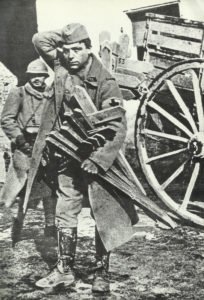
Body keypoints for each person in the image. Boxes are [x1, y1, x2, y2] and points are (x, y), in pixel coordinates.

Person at [25, 23, 139, 292]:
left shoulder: (106, 82)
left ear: (89, 49)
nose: (71, 55)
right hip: (66, 154)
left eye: (77, 49)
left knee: (104, 211)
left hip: (96, 158)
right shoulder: (62, 68)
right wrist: (68, 36)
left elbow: (117, 127)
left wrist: (99, 159)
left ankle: (101, 272)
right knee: (65, 209)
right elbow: (39, 39)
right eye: (66, 51)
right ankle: (64, 270)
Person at [0, 59, 57, 238]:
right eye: (34, 76)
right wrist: (20, 141)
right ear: (29, 76)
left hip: (45, 147)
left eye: (41, 75)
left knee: (50, 187)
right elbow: (7, 119)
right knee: (18, 186)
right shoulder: (19, 93)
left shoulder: (50, 95)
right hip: (24, 145)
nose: (38, 79)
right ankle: (14, 223)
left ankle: (50, 225)